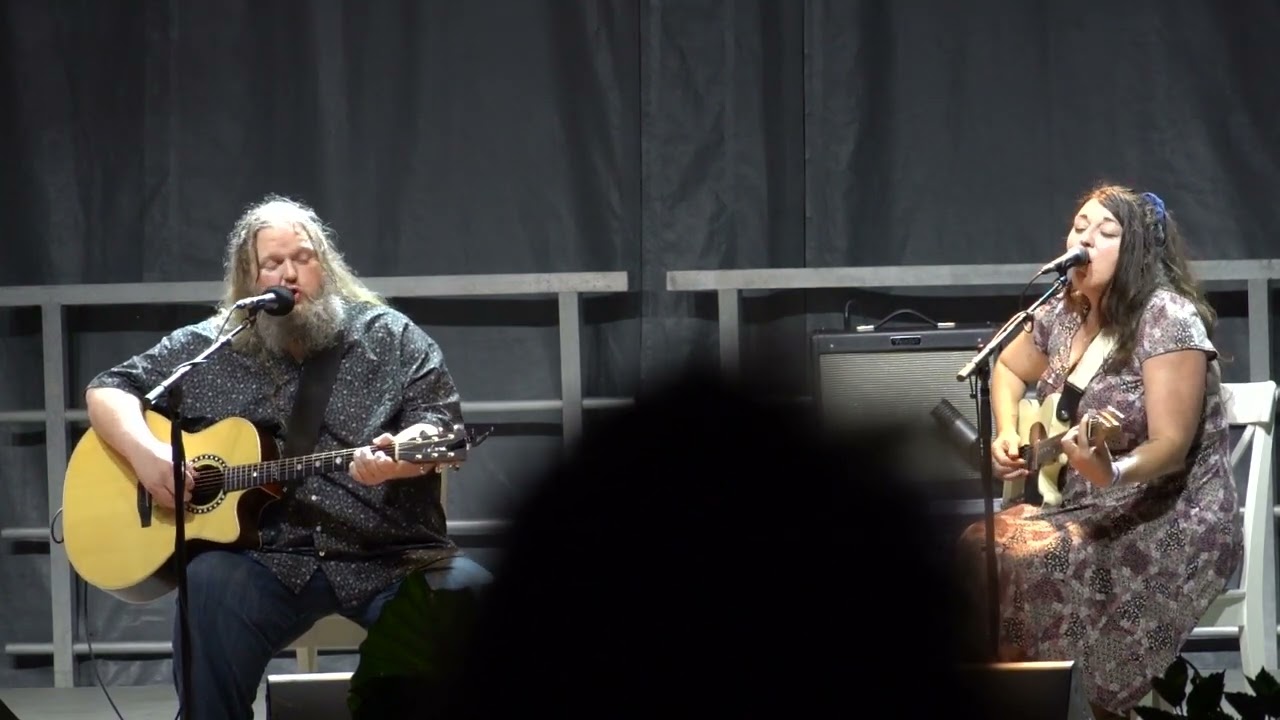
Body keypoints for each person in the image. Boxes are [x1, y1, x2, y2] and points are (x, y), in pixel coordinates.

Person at [83, 195, 492, 720]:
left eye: (303, 257)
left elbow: (439, 425)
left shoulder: (390, 339)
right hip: (267, 560)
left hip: (392, 554)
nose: (290, 273)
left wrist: (401, 456)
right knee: (206, 583)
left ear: (326, 265)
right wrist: (148, 456)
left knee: (471, 599)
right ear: (249, 280)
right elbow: (109, 388)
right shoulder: (212, 347)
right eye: (273, 263)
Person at [957, 183, 1243, 718]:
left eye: (1106, 233)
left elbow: (1170, 447)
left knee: (1029, 555)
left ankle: (1082, 705)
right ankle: (1013, 696)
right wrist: (1006, 434)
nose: (1085, 240)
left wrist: (1111, 472)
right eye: (1080, 227)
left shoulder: (1168, 319)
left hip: (1171, 514)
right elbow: (1006, 367)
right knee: (981, 544)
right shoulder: (1064, 310)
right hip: (1088, 504)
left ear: (1137, 252)